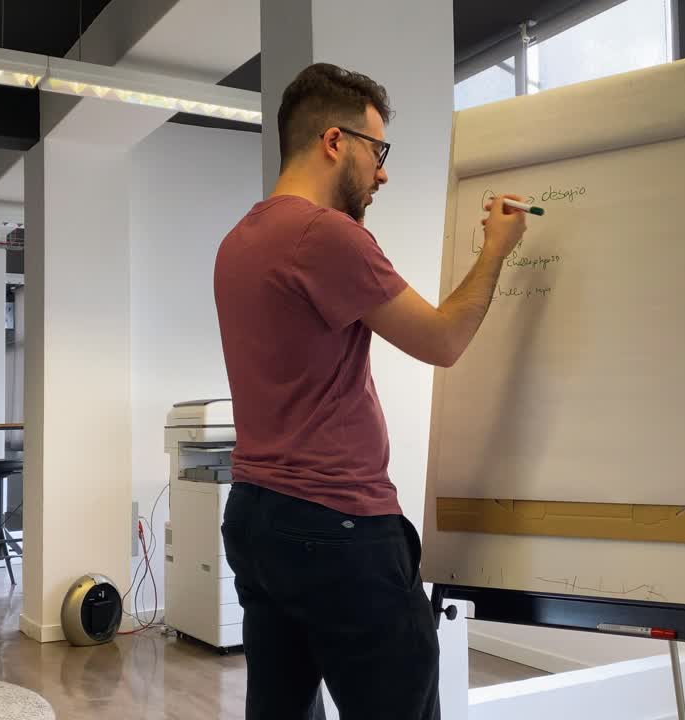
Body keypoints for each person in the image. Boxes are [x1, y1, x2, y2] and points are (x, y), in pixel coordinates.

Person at [214, 62, 528, 720]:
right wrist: (495, 249)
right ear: (334, 142)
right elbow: (442, 341)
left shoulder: (238, 241)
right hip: (338, 528)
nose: (383, 172)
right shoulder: (326, 236)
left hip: (257, 520)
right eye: (376, 150)